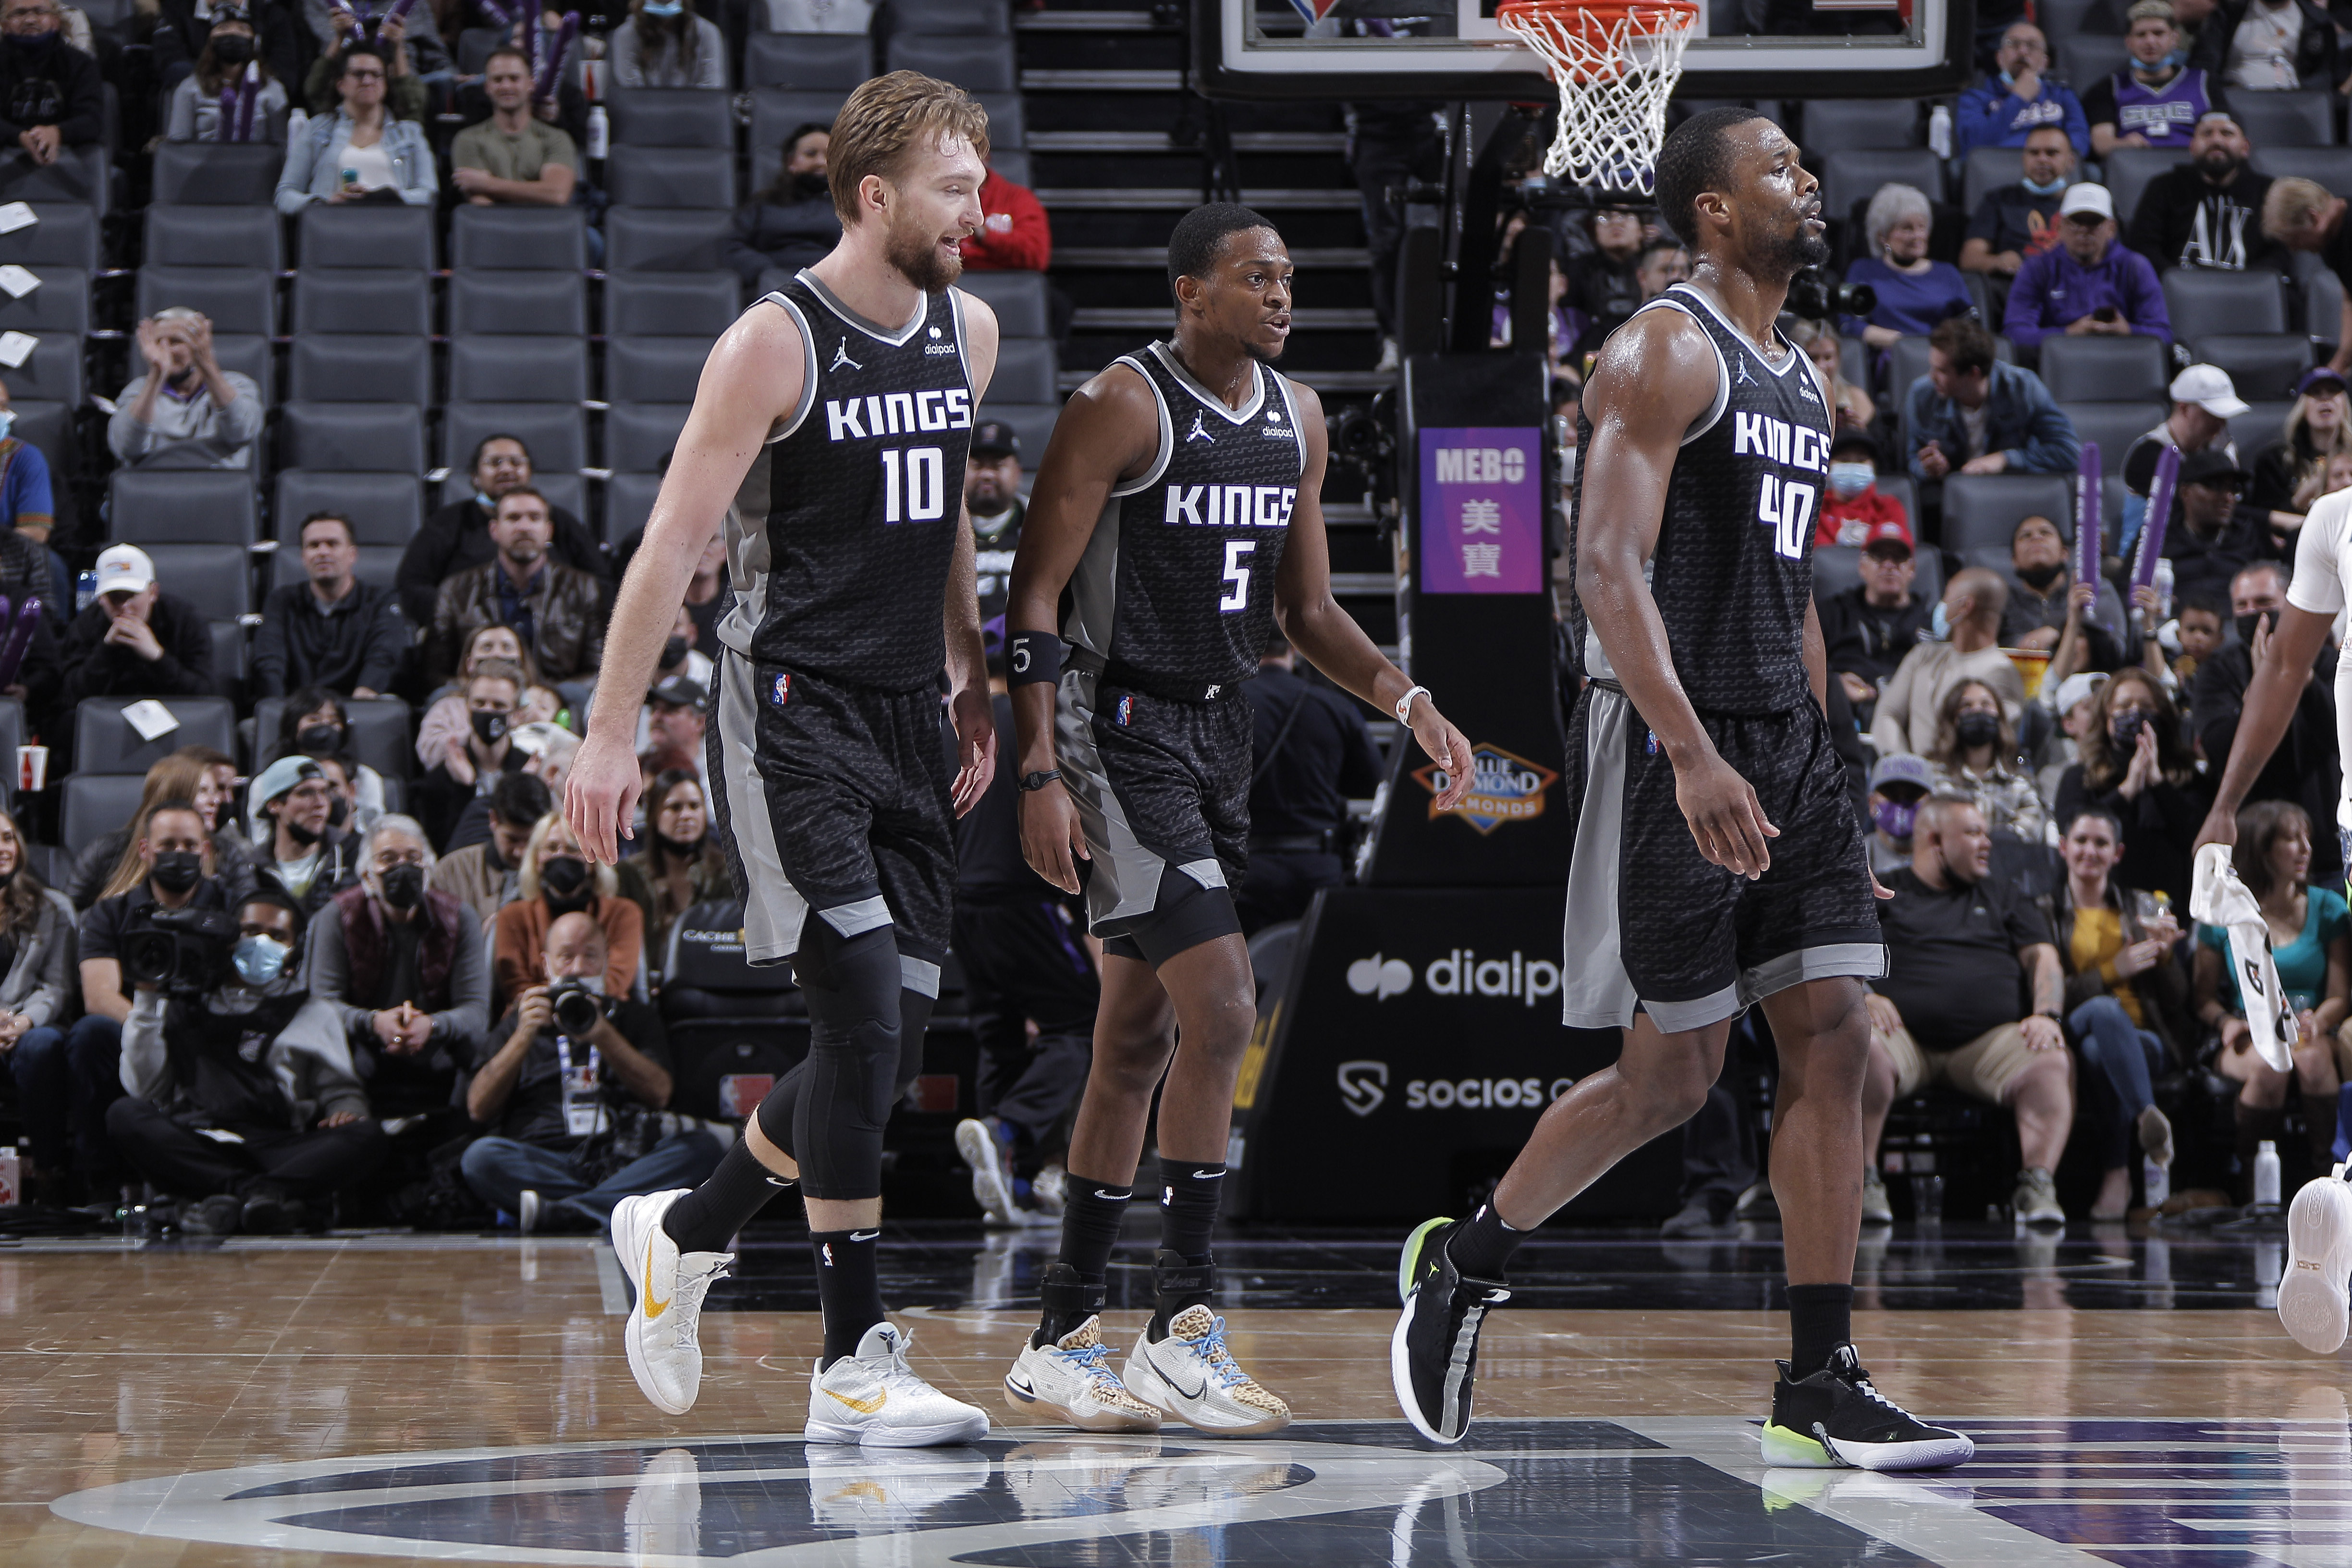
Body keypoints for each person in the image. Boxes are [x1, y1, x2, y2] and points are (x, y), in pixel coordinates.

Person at [1385, 109, 1968, 1468]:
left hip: (1783, 740)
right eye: (1777, 169)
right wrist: (1695, 750)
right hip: (1667, 742)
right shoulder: (1663, 348)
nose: (1808, 182)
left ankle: (1820, 1374)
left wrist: (1821, 761)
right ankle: (1465, 1267)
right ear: (1711, 210)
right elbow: (1605, 572)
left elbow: (1796, 592)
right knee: (1673, 1080)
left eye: (1803, 166)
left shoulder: (1806, 375)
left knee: (1840, 1038)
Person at [564, 71, 1007, 1445]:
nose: (977, 218)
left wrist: (973, 675)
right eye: (953, 191)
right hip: (792, 710)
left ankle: (684, 1232)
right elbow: (670, 548)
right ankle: (850, 1360)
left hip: (910, 717)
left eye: (977, 189)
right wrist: (610, 727)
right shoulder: (775, 342)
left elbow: (938, 522)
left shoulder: (970, 332)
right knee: (862, 1018)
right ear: (875, 197)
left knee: (892, 1041)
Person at [999, 198, 1475, 1440]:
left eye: (1291, 279)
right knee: (1225, 1007)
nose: (1281, 296)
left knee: (1132, 1043)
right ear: (1189, 292)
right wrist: (1039, 770)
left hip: (1219, 732)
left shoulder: (1299, 417)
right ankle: (1182, 1321)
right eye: (1257, 278)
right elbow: (1035, 590)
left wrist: (1409, 699)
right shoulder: (1121, 404)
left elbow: (1308, 611)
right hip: (1119, 728)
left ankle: (1057, 1337)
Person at [106, 886, 387, 1234]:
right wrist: (147, 1002)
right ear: (228, 937)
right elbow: (144, 1087)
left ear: (294, 950)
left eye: (277, 936)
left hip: (276, 1146)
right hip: (201, 1142)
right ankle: (262, 1197)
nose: (261, 942)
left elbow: (342, 1090)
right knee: (125, 1114)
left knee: (369, 1135)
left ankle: (226, 1201)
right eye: (251, 931)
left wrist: (346, 1112)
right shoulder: (181, 1002)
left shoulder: (314, 1011)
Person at [1864, 796, 2075, 1224]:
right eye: (1974, 833)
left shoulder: (2005, 894)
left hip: (1987, 1043)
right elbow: (1839, 951)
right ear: (1936, 840)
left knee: (2051, 1061)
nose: (1988, 843)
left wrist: (2046, 1015)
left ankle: (2036, 1186)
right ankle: (1862, 1182)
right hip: (1901, 1037)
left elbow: (2044, 959)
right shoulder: (1886, 890)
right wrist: (1864, 994)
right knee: (1855, 1046)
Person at [949, 646, 1097, 1229]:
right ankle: (1005, 1129)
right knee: (1081, 1025)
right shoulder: (1036, 724)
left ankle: (1008, 1182)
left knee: (999, 1037)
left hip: (962, 906)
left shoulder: (954, 726)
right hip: (1027, 898)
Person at [458, 911, 720, 1231]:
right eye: (566, 957)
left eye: (591, 956)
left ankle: (567, 1212)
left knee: (701, 1148)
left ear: (607, 961)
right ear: (546, 964)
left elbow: (660, 1094)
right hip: (543, 1158)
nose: (579, 968)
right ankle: (611, 1208)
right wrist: (523, 1036)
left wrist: (602, 1033)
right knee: (480, 1157)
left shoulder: (633, 1017)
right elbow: (478, 1108)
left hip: (622, 1158)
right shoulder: (522, 1020)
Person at [73, 800, 232, 1187]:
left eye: (190, 846)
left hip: (213, 1026)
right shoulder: (109, 914)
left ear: (205, 852)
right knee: (90, 1034)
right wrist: (154, 1028)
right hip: (136, 1026)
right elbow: (100, 996)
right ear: (145, 851)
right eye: (168, 845)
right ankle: (100, 1181)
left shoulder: (230, 907)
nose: (180, 855)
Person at [2193, 801, 2349, 1188]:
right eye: (2290, 839)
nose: (2305, 849)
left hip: (2310, 1032)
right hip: (2248, 1031)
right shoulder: (2226, 913)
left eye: (2307, 838)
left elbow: (2341, 995)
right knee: (2270, 1066)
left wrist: (2320, 1020)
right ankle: (2250, 1185)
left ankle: (2324, 1185)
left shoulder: (2329, 908)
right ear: (2262, 849)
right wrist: (2226, 1021)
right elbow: (2203, 998)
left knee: (2312, 1062)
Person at [307, 814, 487, 1129]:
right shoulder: (336, 916)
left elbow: (476, 1012)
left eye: (413, 858)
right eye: (388, 859)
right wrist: (374, 1022)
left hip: (438, 1053)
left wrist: (431, 1026)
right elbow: (322, 1006)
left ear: (428, 869)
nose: (403, 868)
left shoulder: (460, 917)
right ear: (366, 875)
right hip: (362, 1055)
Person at [2050, 806, 2187, 1218]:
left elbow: (2178, 1000)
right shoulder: (2046, 912)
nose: (2090, 851)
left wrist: (2165, 958)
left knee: (2098, 1054)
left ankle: (2117, 1174)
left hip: (2143, 1039)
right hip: (2075, 1025)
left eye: (2101, 843)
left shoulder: (2137, 908)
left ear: (2118, 853)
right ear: (2063, 847)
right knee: (2103, 1013)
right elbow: (2053, 992)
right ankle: (2148, 1119)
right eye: (2081, 841)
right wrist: (2115, 971)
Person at [2189, 561, 2342, 874]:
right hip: (2252, 845)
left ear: (2291, 604)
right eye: (2241, 606)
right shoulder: (2217, 669)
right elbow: (2218, 747)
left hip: (2325, 845)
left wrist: (2300, 677)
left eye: (2264, 603)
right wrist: (2261, 690)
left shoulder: (2331, 662)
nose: (2253, 613)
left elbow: (2341, 736)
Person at [1235, 632, 1385, 933]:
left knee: (1241, 975)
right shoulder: (1333, 705)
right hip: (1318, 868)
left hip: (1245, 869)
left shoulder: (1227, 707)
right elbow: (1372, 782)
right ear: (1294, 648)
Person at [396, 435, 608, 627]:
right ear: (475, 476)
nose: (506, 470)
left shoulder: (560, 521)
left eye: (516, 462)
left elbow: (602, 585)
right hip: (468, 639)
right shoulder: (447, 522)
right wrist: (463, 616)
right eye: (495, 462)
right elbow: (412, 585)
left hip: (552, 634)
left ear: (530, 473)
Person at [427, 487, 606, 693]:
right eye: (513, 518)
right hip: (478, 703)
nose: (524, 527)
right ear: (494, 530)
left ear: (548, 530)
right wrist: (480, 691)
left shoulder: (583, 588)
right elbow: (434, 674)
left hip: (553, 707)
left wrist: (550, 695)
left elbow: (600, 671)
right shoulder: (456, 589)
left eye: (534, 518)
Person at [2056, 666, 2210, 901]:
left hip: (2174, 906)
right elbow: (2073, 831)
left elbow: (2199, 836)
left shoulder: (2188, 777)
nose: (2136, 712)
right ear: (2107, 719)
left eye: (2147, 707)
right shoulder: (2079, 777)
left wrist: (2158, 784)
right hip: (2103, 907)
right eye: (2124, 706)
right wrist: (2126, 791)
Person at [0, 806, 82, 1201]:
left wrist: (21, 1023)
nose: (3, 848)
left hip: (30, 1026)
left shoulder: (53, 907)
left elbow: (58, 986)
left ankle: (49, 1170)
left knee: (43, 1047)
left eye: (8, 838)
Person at [67, 747, 256, 911]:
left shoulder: (228, 854)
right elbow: (71, 915)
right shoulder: (107, 850)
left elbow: (249, 913)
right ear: (175, 797)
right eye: (203, 791)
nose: (216, 801)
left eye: (214, 791)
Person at [1869, 568, 2028, 756]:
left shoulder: (2002, 673)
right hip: (1913, 777)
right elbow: (1887, 714)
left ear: (1965, 607)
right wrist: (1906, 769)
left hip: (1963, 780)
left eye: (1947, 596)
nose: (1941, 605)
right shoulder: (1923, 655)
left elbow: (1992, 742)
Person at [2002, 184, 2172, 358]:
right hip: (2061, 362)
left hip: (2121, 359)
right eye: (2076, 222)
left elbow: (2163, 335)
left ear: (2111, 229)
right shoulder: (2037, 268)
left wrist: (2127, 330)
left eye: (2094, 222)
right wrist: (2068, 333)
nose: (2084, 231)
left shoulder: (2136, 267)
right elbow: (2015, 333)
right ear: (2060, 228)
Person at [493, 811, 642, 1007]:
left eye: (573, 849)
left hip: (606, 1016)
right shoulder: (512, 916)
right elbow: (517, 986)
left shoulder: (624, 913)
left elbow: (616, 982)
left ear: (593, 861)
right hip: (536, 1019)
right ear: (537, 859)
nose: (561, 856)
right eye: (552, 848)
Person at [253, 512, 407, 700]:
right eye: (313, 545)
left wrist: (364, 696)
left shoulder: (381, 600)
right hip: (297, 711)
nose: (323, 552)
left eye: (333, 544)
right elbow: (270, 659)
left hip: (357, 708)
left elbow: (385, 654)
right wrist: (279, 709)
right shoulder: (282, 601)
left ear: (352, 555)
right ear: (303, 557)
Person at [1905, 316, 2081, 480]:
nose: (1932, 377)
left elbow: (2069, 452)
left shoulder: (2023, 388)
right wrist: (1929, 468)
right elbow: (1912, 459)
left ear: (1974, 373)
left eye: (1942, 371)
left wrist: (2005, 459)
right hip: (1948, 493)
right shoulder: (1922, 394)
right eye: (1932, 367)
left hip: (2009, 490)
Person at [273, 44, 437, 211]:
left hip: (394, 228)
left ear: (386, 85)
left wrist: (383, 198)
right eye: (359, 74)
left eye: (376, 75)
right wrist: (323, 204)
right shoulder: (316, 128)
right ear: (341, 85)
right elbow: (285, 196)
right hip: (333, 226)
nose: (368, 81)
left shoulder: (411, 133)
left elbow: (429, 195)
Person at [2126, 111, 2285, 279]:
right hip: (2179, 292)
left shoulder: (2268, 192)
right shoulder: (2164, 187)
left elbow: (2281, 252)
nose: (2216, 141)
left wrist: (2247, 282)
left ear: (2245, 147)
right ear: (2192, 147)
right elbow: (2144, 246)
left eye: (2227, 133)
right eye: (2207, 134)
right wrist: (2176, 281)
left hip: (2251, 291)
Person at [58, 544, 216, 709]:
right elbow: (70, 697)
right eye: (115, 598)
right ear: (101, 599)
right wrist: (106, 651)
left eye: (131, 595)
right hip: (109, 720)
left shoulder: (186, 621)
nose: (125, 607)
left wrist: (158, 657)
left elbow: (205, 695)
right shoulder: (86, 625)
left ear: (153, 592)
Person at [107, 309, 262, 470]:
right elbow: (126, 447)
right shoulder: (139, 390)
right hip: (154, 486)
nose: (166, 351)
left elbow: (242, 432)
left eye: (176, 341)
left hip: (218, 487)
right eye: (159, 342)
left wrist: (208, 365)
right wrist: (156, 377)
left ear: (199, 345)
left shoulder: (236, 384)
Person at [2122, 363, 2251, 548]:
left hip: (2211, 551)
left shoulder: (2223, 449)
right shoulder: (2148, 455)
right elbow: (2189, 512)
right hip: (2149, 556)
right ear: (2183, 409)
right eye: (2212, 414)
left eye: (2224, 416)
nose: (2221, 424)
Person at [415, 624, 560, 779]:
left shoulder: (541, 705)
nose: (497, 654)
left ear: (521, 660)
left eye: (507, 647)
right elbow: (429, 751)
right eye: (487, 647)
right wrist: (483, 732)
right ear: (470, 663)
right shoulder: (447, 707)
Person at [2087, 0, 2231, 156]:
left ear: (2175, 38)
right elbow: (2101, 143)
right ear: (2129, 42)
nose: (2150, 42)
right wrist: (2124, 144)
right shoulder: (2109, 88)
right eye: (2141, 35)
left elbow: (2224, 136)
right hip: (2136, 167)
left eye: (2159, 33)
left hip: (2195, 169)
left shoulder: (2204, 82)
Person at [1820, 519, 1931, 719]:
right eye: (1879, 557)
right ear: (1863, 567)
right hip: (1843, 717)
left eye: (1898, 558)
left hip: (1912, 715)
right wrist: (1834, 684)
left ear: (1912, 569)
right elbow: (1804, 664)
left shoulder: (1929, 622)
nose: (1889, 565)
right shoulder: (1834, 613)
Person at [1840, 184, 1972, 352]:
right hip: (1887, 358)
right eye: (1907, 228)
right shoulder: (1863, 271)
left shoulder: (1948, 273)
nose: (1917, 236)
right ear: (1882, 236)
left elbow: (1970, 328)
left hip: (1942, 359)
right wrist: (1905, 344)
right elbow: (1849, 326)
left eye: (1922, 227)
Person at [256, 688, 389, 840]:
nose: (325, 727)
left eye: (334, 721)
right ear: (294, 725)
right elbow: (261, 839)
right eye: (315, 719)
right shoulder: (265, 782)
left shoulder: (365, 777)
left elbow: (372, 839)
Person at [449, 46, 574, 208]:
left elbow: (557, 195)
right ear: (487, 87)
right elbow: (483, 207)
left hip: (546, 230)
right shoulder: (468, 139)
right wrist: (538, 192)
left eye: (514, 79)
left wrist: (488, 183)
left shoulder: (556, 138)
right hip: (491, 231)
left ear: (531, 84)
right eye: (498, 80)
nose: (506, 86)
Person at [1924, 678, 2048, 843]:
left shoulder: (2020, 781)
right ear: (1953, 718)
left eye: (1986, 705)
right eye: (1966, 706)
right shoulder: (1933, 776)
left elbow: (2029, 833)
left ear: (1999, 716)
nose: (1977, 711)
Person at [418, 663, 527, 850]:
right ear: (467, 708)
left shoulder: (527, 770)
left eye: (499, 705)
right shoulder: (442, 777)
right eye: (480, 703)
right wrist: (465, 788)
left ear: (517, 715)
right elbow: (440, 846)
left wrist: (520, 786)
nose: (487, 711)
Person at [623, 769, 727, 963]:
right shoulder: (629, 874)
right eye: (675, 807)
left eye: (695, 806)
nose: (686, 815)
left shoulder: (726, 873)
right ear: (654, 815)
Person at [2002, 514, 2130, 666]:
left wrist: (2057, 632)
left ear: (2064, 554)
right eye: (2025, 536)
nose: (2036, 538)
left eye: (2045, 533)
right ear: (2014, 561)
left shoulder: (2094, 589)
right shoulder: (2003, 600)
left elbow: (2115, 648)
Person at [429, 770, 549, 929]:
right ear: (493, 820)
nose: (520, 852)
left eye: (530, 841)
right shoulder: (451, 872)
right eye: (512, 840)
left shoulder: (556, 873)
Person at [723, 122, 840, 286]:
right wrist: (766, 273)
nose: (821, 162)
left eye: (828, 156)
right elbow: (732, 245)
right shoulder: (762, 205)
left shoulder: (849, 207)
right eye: (811, 154)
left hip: (833, 286)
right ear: (791, 162)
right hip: (771, 285)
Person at [247, 755, 362, 917]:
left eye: (324, 792)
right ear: (275, 805)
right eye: (306, 793)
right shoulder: (252, 869)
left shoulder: (354, 857)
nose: (320, 803)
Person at [2162, 448, 2281, 603]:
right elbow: (2127, 590)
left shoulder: (2251, 536)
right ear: (2185, 492)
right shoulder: (2159, 539)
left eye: (2233, 489)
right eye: (2215, 486)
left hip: (2239, 622)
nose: (2228, 497)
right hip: (2175, 623)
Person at [1955, 21, 2090, 157]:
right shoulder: (1975, 97)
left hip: (2052, 169)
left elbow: (2080, 142)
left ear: (2044, 63)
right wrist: (2018, 98)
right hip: (1997, 168)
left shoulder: (2063, 95)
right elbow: (1974, 145)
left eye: (2032, 46)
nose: (2023, 52)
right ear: (2000, 58)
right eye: (2014, 44)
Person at [1960, 125, 2075, 285]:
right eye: (2034, 153)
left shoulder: (2084, 204)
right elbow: (1970, 259)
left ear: (2071, 161)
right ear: (2023, 159)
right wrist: (1998, 261)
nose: (2042, 159)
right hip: (2013, 288)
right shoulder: (1998, 200)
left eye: (2052, 153)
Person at [2265, 179, 2352, 376]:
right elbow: (2349, 298)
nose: (2294, 249)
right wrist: (2339, 365)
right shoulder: (2332, 238)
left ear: (2314, 218)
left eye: (2295, 239)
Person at [163, 6, 288, 143]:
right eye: (224, 28)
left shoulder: (273, 89)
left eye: (243, 29)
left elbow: (280, 147)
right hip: (205, 161)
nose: (233, 33)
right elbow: (178, 145)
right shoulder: (190, 88)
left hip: (256, 161)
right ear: (210, 40)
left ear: (254, 41)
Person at [2247, 367, 2350, 528]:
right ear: (2302, 405)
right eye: (2315, 392)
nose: (2325, 399)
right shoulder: (2275, 461)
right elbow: (2262, 523)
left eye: (2333, 391)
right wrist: (2304, 495)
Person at [0, 0, 99, 165]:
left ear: (55, 22)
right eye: (19, 13)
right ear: (5, 25)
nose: (30, 20)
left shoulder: (81, 64)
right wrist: (18, 136)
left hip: (70, 160)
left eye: (40, 12)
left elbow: (92, 120)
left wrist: (58, 133)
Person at [2190, 0, 2340, 92]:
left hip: (2297, 106)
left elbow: (2323, 76)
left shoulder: (2318, 21)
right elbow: (2205, 66)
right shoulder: (2228, 14)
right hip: (2236, 102)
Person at [968, 420, 1024, 624]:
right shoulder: (939, 533)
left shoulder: (1044, 529)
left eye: (997, 466)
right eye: (977, 465)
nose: (987, 475)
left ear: (1018, 472)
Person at [960, 159, 1052, 273]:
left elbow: (1037, 256)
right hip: (955, 283)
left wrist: (985, 236)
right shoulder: (939, 200)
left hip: (1011, 285)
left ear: (986, 155)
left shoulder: (1018, 198)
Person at [606, 0, 723, 88]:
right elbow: (633, 99)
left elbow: (711, 95)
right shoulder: (626, 35)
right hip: (645, 118)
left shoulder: (707, 33)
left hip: (696, 118)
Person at [1788, 321, 1874, 434]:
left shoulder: (1857, 400)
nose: (1822, 366)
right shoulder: (1786, 400)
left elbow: (1880, 447)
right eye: (1813, 358)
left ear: (1838, 358)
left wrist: (1859, 435)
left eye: (1828, 358)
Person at [1865, 753, 1935, 876]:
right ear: (1871, 803)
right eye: (1892, 794)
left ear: (1932, 805)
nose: (1902, 803)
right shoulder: (1852, 858)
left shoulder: (1946, 859)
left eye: (1913, 794)